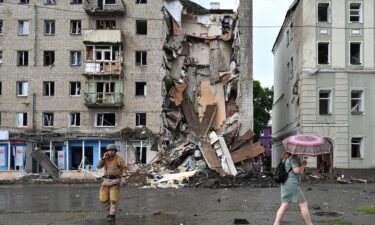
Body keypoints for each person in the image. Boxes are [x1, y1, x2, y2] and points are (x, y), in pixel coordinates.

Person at [273, 151, 313, 225]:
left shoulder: (285, 159)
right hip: (292, 184)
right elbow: (296, 171)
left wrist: (301, 165)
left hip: (285, 184)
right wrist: (303, 164)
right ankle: (310, 224)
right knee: (303, 204)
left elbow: (293, 170)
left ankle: (276, 223)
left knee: (285, 204)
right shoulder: (293, 158)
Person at [97, 144, 128, 222]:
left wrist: (123, 178)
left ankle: (112, 215)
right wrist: (103, 159)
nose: (110, 152)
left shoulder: (119, 159)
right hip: (105, 181)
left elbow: (124, 169)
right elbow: (98, 166)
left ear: (115, 151)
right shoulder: (105, 159)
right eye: (109, 150)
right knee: (103, 198)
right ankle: (109, 212)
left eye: (112, 150)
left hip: (115, 181)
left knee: (113, 199)